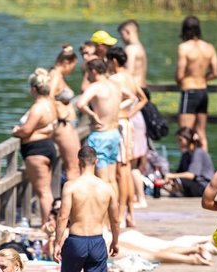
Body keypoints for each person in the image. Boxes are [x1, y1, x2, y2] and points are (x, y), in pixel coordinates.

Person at [52, 146, 121, 272]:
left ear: (79, 162)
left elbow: (63, 216)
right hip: (97, 241)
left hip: (75, 241)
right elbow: (116, 219)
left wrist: (57, 242)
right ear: (96, 161)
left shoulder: (71, 186)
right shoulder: (107, 187)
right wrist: (115, 241)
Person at [12, 69, 60, 232]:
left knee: (43, 192)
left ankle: (47, 226)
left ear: (34, 88)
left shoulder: (37, 108)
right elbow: (48, 127)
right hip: (47, 147)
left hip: (35, 151)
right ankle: (50, 223)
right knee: (46, 190)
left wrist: (16, 131)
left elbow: (26, 131)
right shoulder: (51, 104)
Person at [106, 46, 149, 221]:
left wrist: (123, 113)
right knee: (127, 170)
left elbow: (136, 98)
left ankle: (122, 213)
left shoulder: (115, 79)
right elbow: (143, 98)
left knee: (121, 172)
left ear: (114, 61)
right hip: (127, 123)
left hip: (120, 125)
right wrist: (130, 113)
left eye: (108, 62)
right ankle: (130, 213)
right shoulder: (130, 78)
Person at [77, 59, 129, 192]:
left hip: (101, 135)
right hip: (114, 133)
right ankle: (116, 212)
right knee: (112, 179)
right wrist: (118, 109)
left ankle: (105, 212)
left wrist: (93, 115)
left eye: (87, 72)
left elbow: (80, 104)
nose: (87, 76)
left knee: (102, 181)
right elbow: (132, 97)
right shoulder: (115, 85)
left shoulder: (95, 86)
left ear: (93, 71)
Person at [175, 16, 217, 152]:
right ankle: (206, 167)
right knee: (201, 133)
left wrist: (183, 80)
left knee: (185, 133)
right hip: (203, 91)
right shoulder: (209, 47)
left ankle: (186, 167)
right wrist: (203, 79)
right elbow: (215, 73)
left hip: (189, 90)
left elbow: (179, 75)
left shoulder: (184, 47)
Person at [47, 46, 82, 182]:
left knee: (76, 164)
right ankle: (71, 200)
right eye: (73, 66)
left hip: (68, 125)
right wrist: (59, 113)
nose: (73, 70)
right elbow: (49, 96)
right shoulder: (55, 75)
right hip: (62, 126)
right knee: (73, 167)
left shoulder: (58, 75)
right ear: (67, 63)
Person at [161, 127, 214, 197]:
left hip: (203, 186)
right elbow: (179, 172)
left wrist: (172, 176)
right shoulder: (186, 154)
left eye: (180, 140)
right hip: (192, 183)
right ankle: (177, 191)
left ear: (188, 139)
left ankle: (178, 191)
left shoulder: (198, 152)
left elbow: (191, 175)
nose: (178, 143)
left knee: (178, 180)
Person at [119, 20, 148, 90]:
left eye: (122, 34)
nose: (121, 38)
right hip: (143, 87)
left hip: (135, 89)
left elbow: (129, 72)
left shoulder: (130, 49)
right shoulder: (140, 47)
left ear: (127, 31)